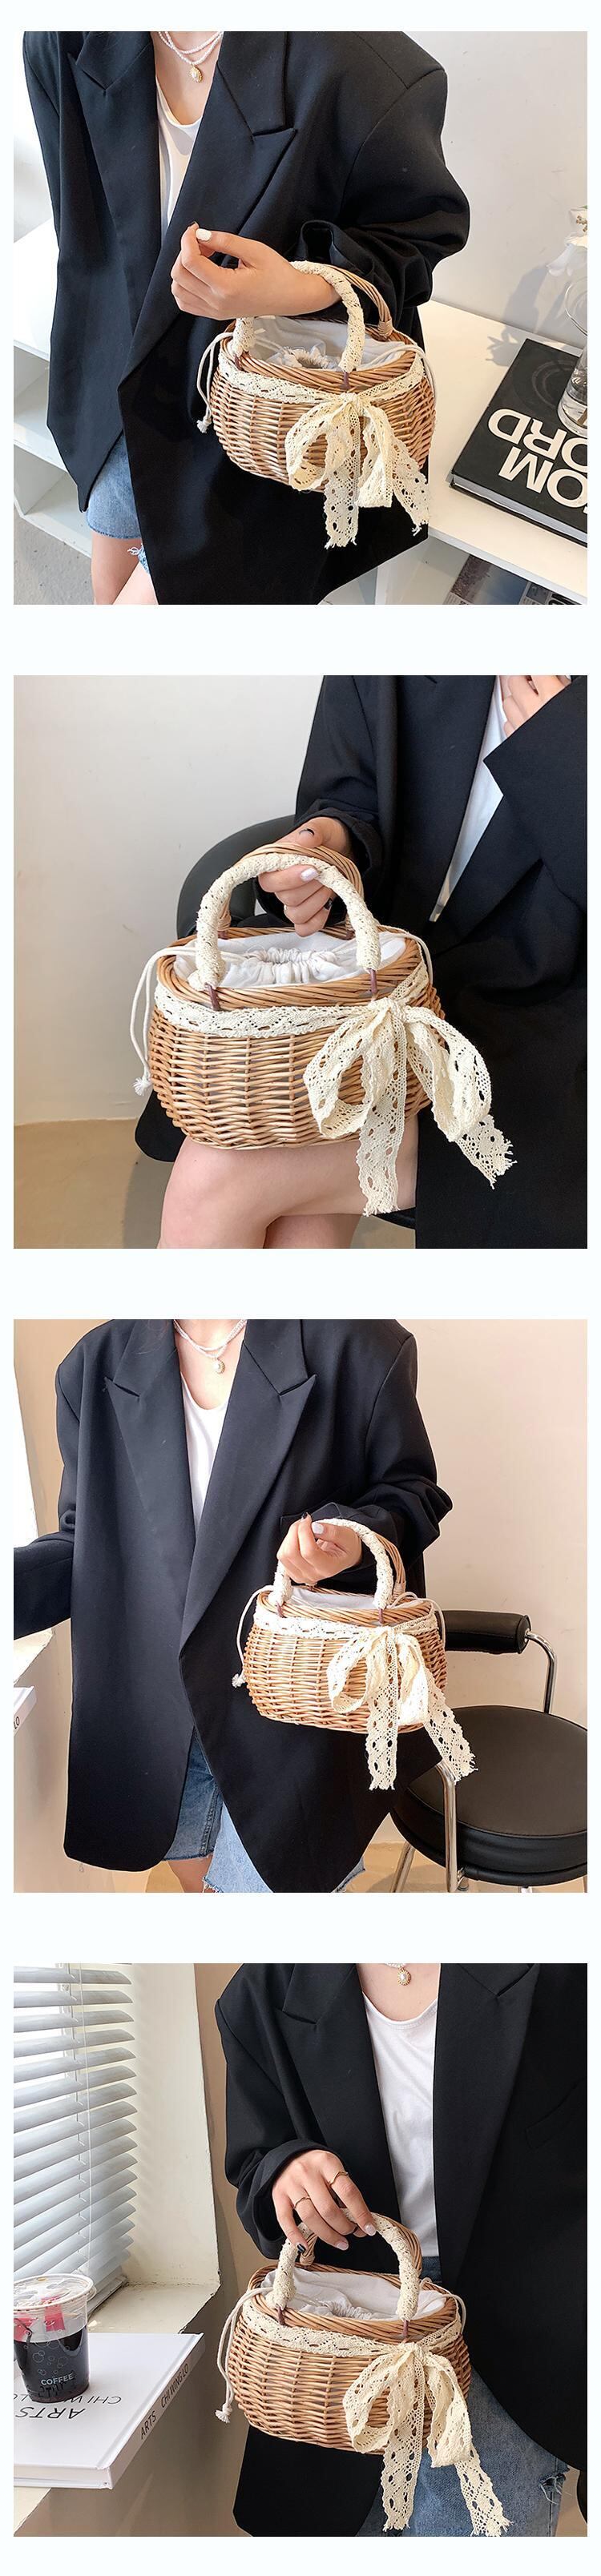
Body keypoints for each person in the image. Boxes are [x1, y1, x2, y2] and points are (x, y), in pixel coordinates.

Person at [22, 30, 469, 606]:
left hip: (266, 419)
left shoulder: (367, 70)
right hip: (122, 380)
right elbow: (82, 231)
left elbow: (419, 236)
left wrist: (296, 289)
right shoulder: (65, 36)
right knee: (108, 596)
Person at [153, 672, 586, 1250]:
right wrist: (331, 843)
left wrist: (567, 757)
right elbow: (349, 796)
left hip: (552, 1019)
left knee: (214, 1177)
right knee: (296, 1221)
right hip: (381, 975)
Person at [14, 1318, 450, 1891]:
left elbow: (413, 1493)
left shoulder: (359, 1345)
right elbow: (85, 1542)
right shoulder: (95, 1364)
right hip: (163, 1717)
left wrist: (348, 1539)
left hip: (298, 1707)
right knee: (203, 1890)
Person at [216, 1961, 586, 2537]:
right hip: (340, 2344)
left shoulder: (564, 1970)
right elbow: (254, 2165)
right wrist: (287, 2170)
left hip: (513, 2347)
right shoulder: (265, 1987)